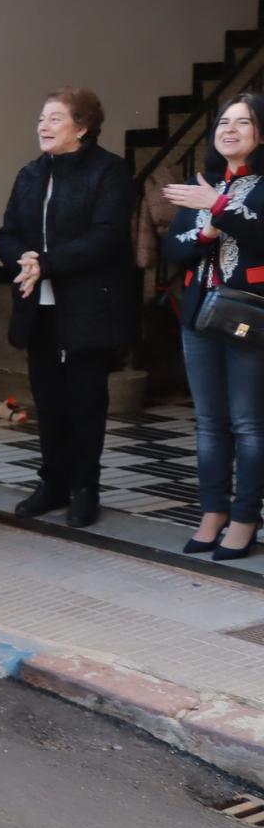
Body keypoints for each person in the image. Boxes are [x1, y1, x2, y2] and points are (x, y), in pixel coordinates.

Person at [0, 88, 135, 530]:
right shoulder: (30, 174)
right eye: (41, 118)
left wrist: (47, 263)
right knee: (49, 399)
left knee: (86, 400)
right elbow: (7, 233)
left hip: (88, 306)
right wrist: (23, 259)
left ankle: (85, 488)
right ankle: (52, 482)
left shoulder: (108, 171)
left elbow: (107, 236)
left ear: (83, 126)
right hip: (40, 305)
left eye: (55, 119)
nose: (43, 126)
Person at [162, 93, 264, 560]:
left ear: (260, 133)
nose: (230, 130)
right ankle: (212, 512)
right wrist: (204, 229)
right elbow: (174, 250)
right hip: (199, 314)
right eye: (224, 122)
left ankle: (245, 518)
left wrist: (217, 207)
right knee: (208, 421)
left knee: (248, 423)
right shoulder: (199, 182)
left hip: (249, 317)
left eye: (242, 123)